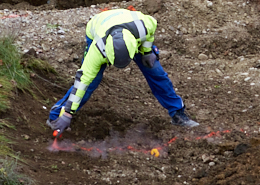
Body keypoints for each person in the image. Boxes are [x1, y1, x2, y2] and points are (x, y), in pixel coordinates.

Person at [47, 7, 199, 135]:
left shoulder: (144, 26)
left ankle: (178, 114)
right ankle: (56, 116)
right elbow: (82, 81)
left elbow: (150, 33)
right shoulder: (98, 49)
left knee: (156, 73)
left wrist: (146, 52)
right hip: (98, 26)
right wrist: (67, 113)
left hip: (130, 28)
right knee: (91, 81)